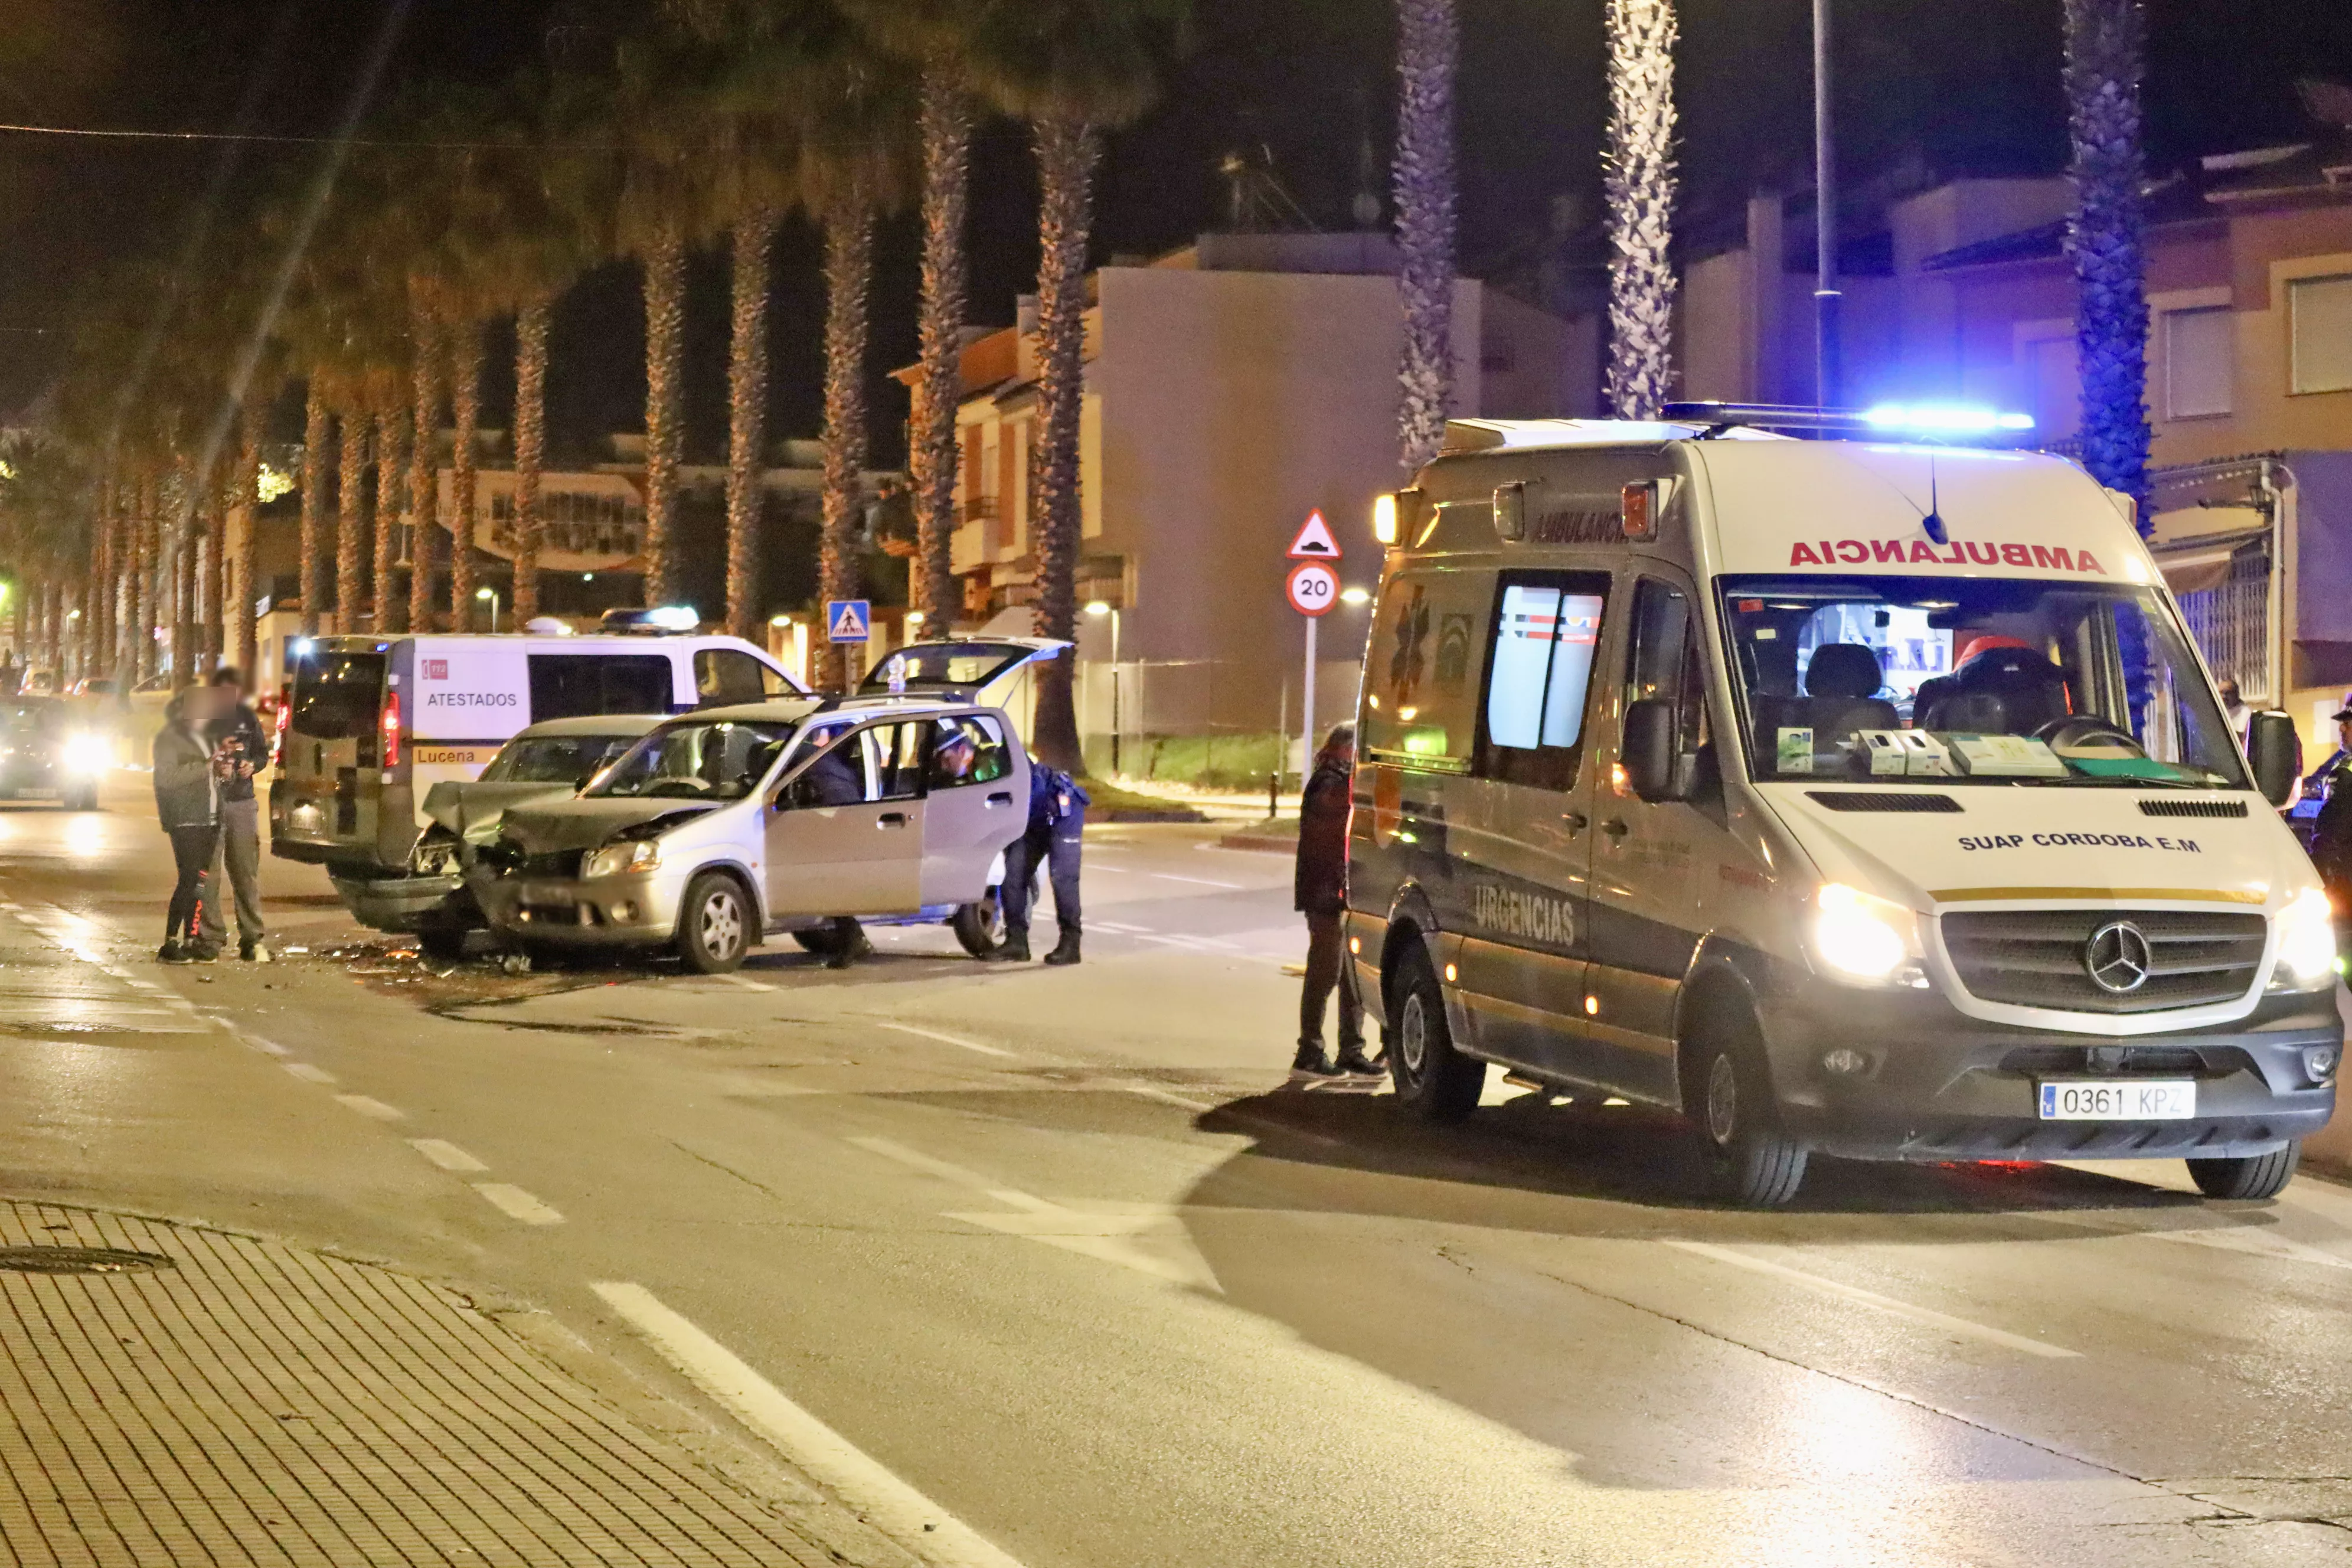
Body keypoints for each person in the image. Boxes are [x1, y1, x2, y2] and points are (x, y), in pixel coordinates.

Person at [1292, 724, 1377, 1080]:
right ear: (1345, 749)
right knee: (1325, 972)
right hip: (1325, 893)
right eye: (1359, 749)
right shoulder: (1328, 782)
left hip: (1342, 892)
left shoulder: (1340, 780)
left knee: (1350, 975)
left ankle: (1352, 1049)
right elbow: (1336, 813)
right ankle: (1310, 1051)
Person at [198, 666, 271, 962]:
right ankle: (210, 939)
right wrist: (212, 759)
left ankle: (252, 939)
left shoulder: (248, 718)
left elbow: (262, 754)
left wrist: (251, 765)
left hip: (242, 802)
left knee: (245, 873)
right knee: (209, 876)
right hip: (209, 804)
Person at [989, 757, 1087, 965]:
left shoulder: (1009, 760)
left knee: (1063, 877)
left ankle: (1071, 943)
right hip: (1035, 819)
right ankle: (1017, 942)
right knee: (1014, 874)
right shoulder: (987, 766)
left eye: (946, 758)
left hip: (1063, 811)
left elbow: (1029, 795)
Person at [152, 685, 221, 963]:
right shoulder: (171, 739)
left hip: (209, 818)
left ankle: (190, 940)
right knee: (189, 879)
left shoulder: (206, 737)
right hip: (186, 819)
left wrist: (222, 771)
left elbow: (209, 774)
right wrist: (204, 767)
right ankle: (170, 943)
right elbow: (166, 780)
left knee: (200, 883)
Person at [800, 727, 875, 969]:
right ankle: (854, 938)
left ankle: (853, 940)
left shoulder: (804, 756)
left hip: (837, 821)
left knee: (829, 881)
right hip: (846, 818)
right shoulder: (830, 761)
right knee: (831, 881)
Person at [2309, 706, 2352, 950]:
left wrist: (2320, 869)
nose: (2342, 728)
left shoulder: (2346, 775)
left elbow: (2332, 829)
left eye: (2349, 723)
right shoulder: (2342, 764)